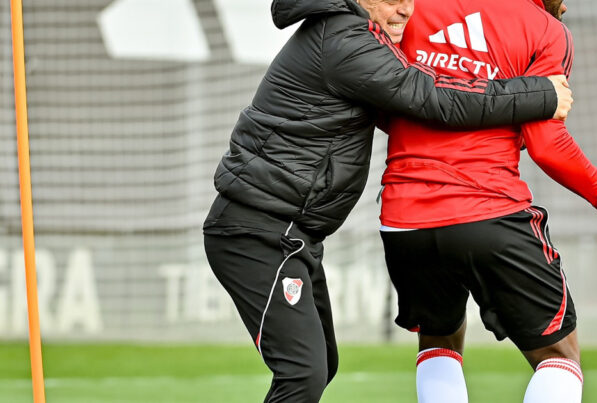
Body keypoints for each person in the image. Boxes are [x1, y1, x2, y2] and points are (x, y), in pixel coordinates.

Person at [202, 0, 574, 401]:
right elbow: (434, 98)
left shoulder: (355, 35)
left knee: (321, 365)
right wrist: (541, 92)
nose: (405, 11)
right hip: (256, 231)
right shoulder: (346, 39)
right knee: (302, 373)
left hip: (291, 234)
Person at [379, 1, 597, 402]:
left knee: (438, 340)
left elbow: (382, 98)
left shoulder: (412, 6)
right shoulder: (545, 30)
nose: (566, 4)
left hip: (403, 220)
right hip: (490, 213)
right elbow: (547, 146)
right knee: (558, 356)